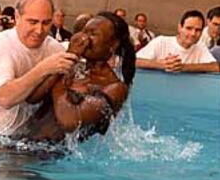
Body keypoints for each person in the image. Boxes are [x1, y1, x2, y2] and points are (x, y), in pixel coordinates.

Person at [0, 0, 77, 137]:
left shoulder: (54, 48)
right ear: (17, 17)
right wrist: (44, 68)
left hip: (25, 131)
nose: (39, 30)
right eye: (32, 22)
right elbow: (5, 98)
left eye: (46, 23)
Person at [19, 11, 136, 142]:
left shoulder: (115, 88)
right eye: (84, 32)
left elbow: (69, 122)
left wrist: (62, 80)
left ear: (113, 44)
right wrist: (68, 60)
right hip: (22, 140)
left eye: (93, 34)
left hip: (49, 154)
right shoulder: (74, 67)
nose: (84, 39)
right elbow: (32, 97)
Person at [136, 10, 220, 73]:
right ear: (180, 27)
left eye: (198, 30)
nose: (193, 33)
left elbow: (215, 67)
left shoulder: (200, 47)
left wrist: (182, 67)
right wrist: (162, 64)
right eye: (189, 28)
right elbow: (134, 61)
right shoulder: (161, 42)